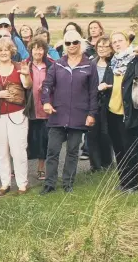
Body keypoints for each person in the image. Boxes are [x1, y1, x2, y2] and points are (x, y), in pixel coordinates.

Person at [39, 31, 99, 195]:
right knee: (52, 151)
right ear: (64, 46)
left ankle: (68, 183)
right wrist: (46, 102)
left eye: (75, 42)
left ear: (81, 44)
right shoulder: (58, 64)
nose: (71, 46)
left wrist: (92, 113)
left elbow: (93, 92)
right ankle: (49, 184)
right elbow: (46, 85)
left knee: (72, 152)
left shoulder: (89, 65)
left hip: (79, 116)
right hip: (58, 114)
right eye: (68, 43)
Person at [0, 37, 32, 196]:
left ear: (11, 51)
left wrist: (27, 75)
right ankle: (5, 183)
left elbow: (27, 86)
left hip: (18, 114)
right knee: (2, 151)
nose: (3, 53)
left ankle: (22, 184)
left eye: (6, 50)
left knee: (18, 150)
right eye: (0, 50)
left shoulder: (19, 67)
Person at [100, 32, 138, 192]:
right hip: (112, 112)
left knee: (131, 149)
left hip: (131, 113)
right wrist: (103, 86)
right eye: (114, 42)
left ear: (127, 41)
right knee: (119, 149)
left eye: (120, 40)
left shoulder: (137, 60)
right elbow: (110, 83)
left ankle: (135, 185)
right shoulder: (113, 63)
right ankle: (124, 182)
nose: (116, 44)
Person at [25, 38, 53, 181]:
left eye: (40, 49)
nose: (38, 51)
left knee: (44, 139)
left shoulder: (51, 65)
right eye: (35, 48)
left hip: (46, 109)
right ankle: (21, 170)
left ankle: (41, 168)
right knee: (28, 140)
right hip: (30, 108)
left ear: (44, 51)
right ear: (30, 50)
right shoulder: (25, 64)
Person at [88, 37, 114, 173]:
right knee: (92, 134)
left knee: (105, 134)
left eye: (105, 46)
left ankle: (107, 163)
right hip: (93, 103)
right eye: (100, 46)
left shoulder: (114, 64)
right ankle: (95, 165)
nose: (102, 49)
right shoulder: (91, 63)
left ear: (110, 48)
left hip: (108, 103)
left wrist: (108, 86)